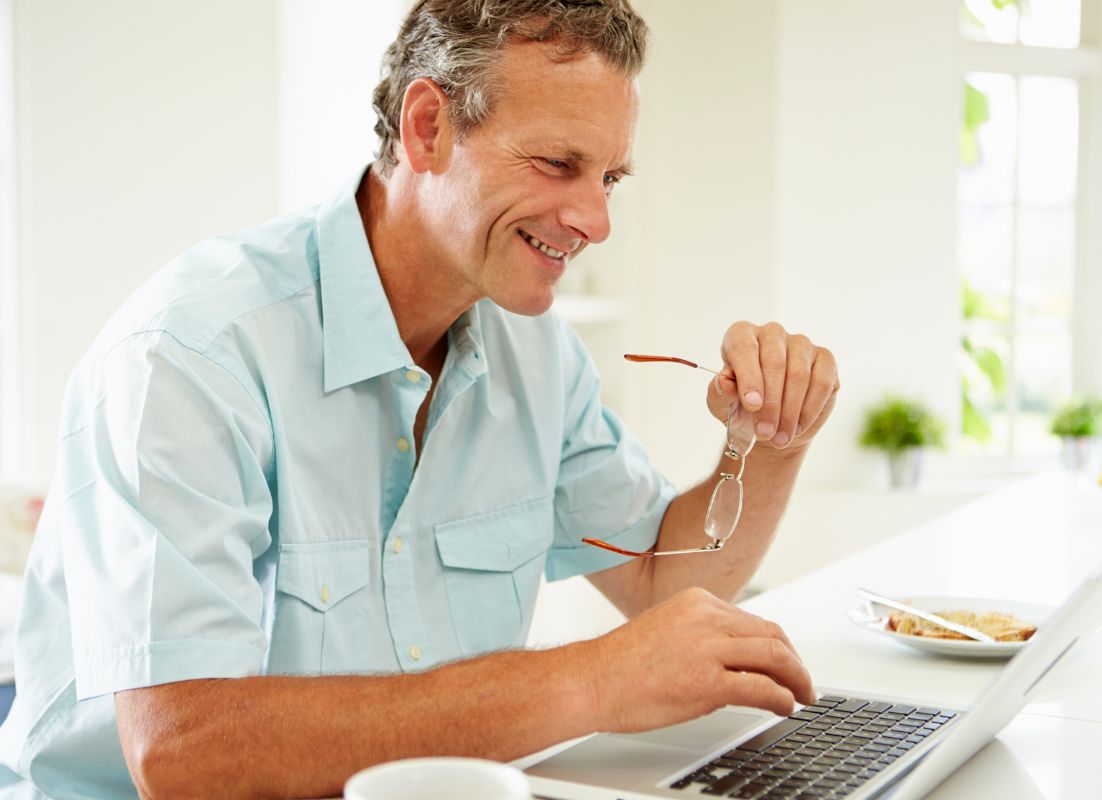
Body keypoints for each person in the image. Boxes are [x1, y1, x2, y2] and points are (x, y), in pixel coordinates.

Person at [0, 1, 839, 798]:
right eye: (558, 163)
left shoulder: (535, 352)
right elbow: (183, 756)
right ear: (427, 127)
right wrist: (591, 680)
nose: (595, 219)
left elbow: (662, 581)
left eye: (610, 177)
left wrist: (769, 441)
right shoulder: (193, 356)